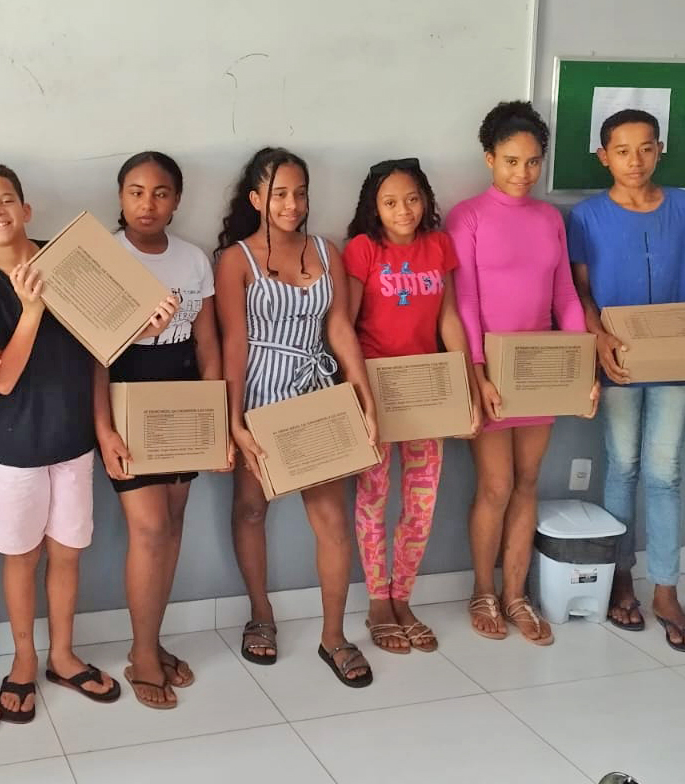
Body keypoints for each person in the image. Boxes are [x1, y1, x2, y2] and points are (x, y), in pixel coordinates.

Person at [0, 161, 176, 720]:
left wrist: (144, 327)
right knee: (20, 556)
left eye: (6, 200)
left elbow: (102, 343)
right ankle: (23, 660)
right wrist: (32, 309)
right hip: (16, 446)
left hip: (74, 438)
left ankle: (62, 655)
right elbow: (2, 379)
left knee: (68, 552)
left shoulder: (67, 258)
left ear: (26, 209)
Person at [568, 108, 685, 653]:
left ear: (660, 149)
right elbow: (580, 293)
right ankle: (620, 578)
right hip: (619, 359)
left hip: (677, 361)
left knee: (665, 473)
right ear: (604, 157)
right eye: (622, 151)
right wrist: (598, 338)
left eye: (646, 148)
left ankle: (665, 590)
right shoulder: (586, 217)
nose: (635, 161)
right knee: (622, 466)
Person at [216, 147, 378, 687]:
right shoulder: (235, 260)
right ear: (256, 199)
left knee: (332, 521)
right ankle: (261, 614)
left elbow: (340, 328)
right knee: (251, 511)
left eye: (300, 193)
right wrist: (234, 419)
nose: (292, 204)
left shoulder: (326, 251)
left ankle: (334, 636)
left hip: (317, 393)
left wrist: (364, 397)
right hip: (260, 396)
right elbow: (234, 344)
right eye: (280, 194)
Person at [449, 102, 598, 646]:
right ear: (489, 158)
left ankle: (516, 595)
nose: (523, 173)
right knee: (496, 485)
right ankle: (482, 591)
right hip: (491, 372)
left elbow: (566, 296)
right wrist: (478, 374)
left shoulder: (550, 219)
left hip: (543, 370)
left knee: (529, 481)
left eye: (533, 162)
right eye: (511, 161)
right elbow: (464, 301)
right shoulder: (467, 217)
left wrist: (582, 367)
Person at [93, 151, 228, 709]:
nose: (147, 203)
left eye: (160, 192)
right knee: (148, 530)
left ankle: (151, 640)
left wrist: (216, 421)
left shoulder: (194, 260)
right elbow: (94, 356)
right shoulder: (104, 257)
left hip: (184, 401)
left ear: (177, 200)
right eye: (136, 191)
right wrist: (104, 430)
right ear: (120, 196)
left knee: (171, 527)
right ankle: (142, 653)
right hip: (127, 402)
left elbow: (208, 344)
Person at [344, 158, 480, 655]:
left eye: (412, 199)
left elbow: (449, 318)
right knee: (373, 499)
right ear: (374, 207)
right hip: (376, 391)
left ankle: (403, 597)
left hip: (428, 390)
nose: (403, 210)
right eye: (390, 202)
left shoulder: (438, 245)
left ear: (425, 201)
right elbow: (346, 324)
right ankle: (378, 602)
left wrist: (466, 388)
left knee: (421, 504)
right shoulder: (362, 249)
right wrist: (355, 392)